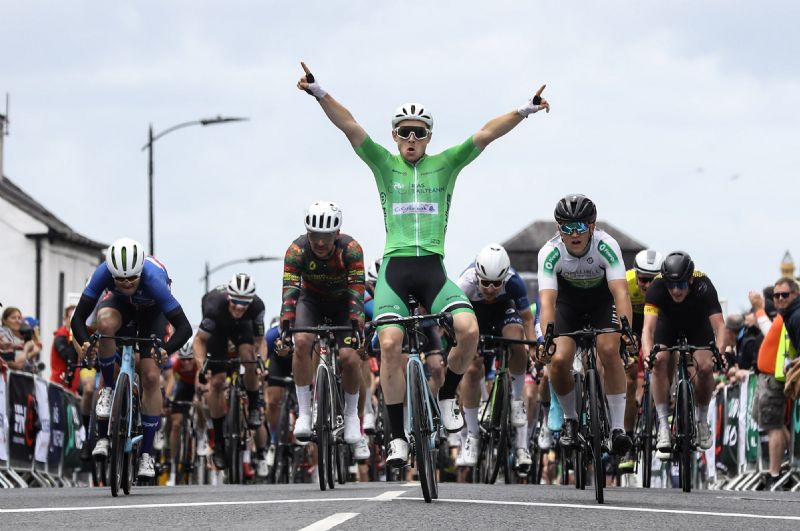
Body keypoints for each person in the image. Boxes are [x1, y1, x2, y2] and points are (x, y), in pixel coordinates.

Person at [297, 62, 550, 466]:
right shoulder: (383, 163)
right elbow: (350, 126)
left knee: (468, 330)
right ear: (395, 136)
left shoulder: (445, 164)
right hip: (395, 270)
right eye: (404, 131)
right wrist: (319, 91)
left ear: (429, 136)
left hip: (433, 268)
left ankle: (448, 393)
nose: (411, 138)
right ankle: (397, 437)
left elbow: (486, 134)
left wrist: (523, 110)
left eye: (419, 132)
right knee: (391, 344)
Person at [71, 237, 192, 479]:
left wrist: (166, 349)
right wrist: (86, 343)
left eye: (131, 278)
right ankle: (107, 390)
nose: (126, 283)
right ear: (111, 273)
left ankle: (147, 454)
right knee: (104, 325)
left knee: (149, 376)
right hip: (120, 307)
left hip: (152, 313)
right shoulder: (103, 273)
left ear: (140, 272)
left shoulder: (154, 279)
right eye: (120, 278)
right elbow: (78, 319)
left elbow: (185, 328)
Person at [537, 194, 634, 456]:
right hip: (568, 305)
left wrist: (627, 332)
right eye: (567, 228)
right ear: (559, 229)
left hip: (602, 303)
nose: (574, 234)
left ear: (592, 226)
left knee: (609, 349)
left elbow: (621, 294)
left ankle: (617, 429)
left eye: (580, 227)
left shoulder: (607, 245)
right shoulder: (550, 252)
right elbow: (547, 302)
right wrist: (547, 339)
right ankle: (571, 419)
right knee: (558, 361)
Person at [279, 201, 366, 455]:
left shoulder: (351, 249)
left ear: (336, 234)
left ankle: (351, 416)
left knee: (349, 358)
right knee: (303, 342)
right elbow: (290, 291)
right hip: (312, 301)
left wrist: (356, 321)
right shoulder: (296, 250)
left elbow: (357, 289)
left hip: (343, 302)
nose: (319, 243)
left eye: (325, 237)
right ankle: (305, 413)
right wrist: (286, 324)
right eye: (314, 236)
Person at [456, 243, 537, 472]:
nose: (491, 289)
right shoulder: (465, 283)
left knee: (516, 341)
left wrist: (531, 349)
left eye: (496, 284)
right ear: (477, 276)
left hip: (504, 312)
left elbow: (528, 319)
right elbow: (456, 323)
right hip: (475, 316)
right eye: (486, 283)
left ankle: (517, 399)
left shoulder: (514, 282)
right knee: (472, 369)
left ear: (504, 278)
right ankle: (472, 436)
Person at [641, 251, 726, 456]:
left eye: (681, 285)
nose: (676, 291)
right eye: (671, 286)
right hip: (667, 326)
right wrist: (647, 353)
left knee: (705, 366)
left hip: (697, 327)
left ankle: (702, 421)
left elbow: (720, 327)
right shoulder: (657, 287)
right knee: (659, 360)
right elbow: (648, 330)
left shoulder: (703, 285)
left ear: (690, 279)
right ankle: (663, 426)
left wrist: (719, 352)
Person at [194, 272, 266, 470]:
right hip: (219, 329)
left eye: (244, 303)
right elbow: (199, 340)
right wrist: (202, 366)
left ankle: (253, 405)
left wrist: (261, 362)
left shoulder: (257, 307)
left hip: (243, 328)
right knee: (216, 382)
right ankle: (218, 444)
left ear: (251, 301)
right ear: (228, 297)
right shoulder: (214, 306)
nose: (239, 307)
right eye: (235, 302)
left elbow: (260, 342)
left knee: (249, 356)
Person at [618, 249, 663, 472]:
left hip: (655, 323)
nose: (647, 285)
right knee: (629, 375)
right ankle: (627, 437)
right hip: (630, 324)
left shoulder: (667, 286)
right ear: (635, 275)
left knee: (662, 362)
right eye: (643, 279)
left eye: (652, 280)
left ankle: (662, 406)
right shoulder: (625, 282)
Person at [754, 277, 799, 489]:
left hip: (776, 377)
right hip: (773, 375)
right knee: (774, 425)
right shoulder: (787, 315)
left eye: (785, 295)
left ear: (795, 295)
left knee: (774, 426)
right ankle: (789, 465)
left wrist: (758, 311)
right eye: (776, 295)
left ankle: (775, 473)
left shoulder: (793, 316)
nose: (779, 299)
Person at [164, 341, 203, 486]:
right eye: (183, 359)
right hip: (183, 388)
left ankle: (201, 434)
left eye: (189, 359)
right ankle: (173, 466)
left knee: (200, 403)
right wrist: (167, 399)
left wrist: (197, 397)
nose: (186, 362)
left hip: (196, 385)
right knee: (176, 423)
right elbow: (172, 382)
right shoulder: (176, 363)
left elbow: (199, 382)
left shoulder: (198, 362)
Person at [0, 306, 42, 371]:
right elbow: (17, 364)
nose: (18, 321)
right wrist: (27, 348)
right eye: (13, 318)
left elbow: (36, 348)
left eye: (19, 318)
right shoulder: (3, 334)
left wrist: (27, 353)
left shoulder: (13, 337)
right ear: (4, 320)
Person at [50, 305, 80, 392]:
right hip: (60, 385)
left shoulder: (75, 336)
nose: (73, 320)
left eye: (76, 317)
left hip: (70, 387)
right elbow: (69, 358)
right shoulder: (61, 336)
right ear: (65, 319)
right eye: (71, 317)